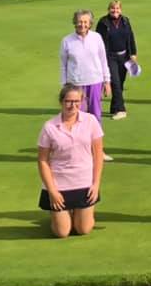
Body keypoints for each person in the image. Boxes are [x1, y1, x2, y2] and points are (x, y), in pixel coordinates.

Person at [37, 84, 104, 238]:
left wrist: (96, 184)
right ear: (61, 102)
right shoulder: (49, 127)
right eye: (68, 101)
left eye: (76, 101)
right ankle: (59, 214)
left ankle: (78, 213)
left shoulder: (90, 121)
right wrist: (52, 191)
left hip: (84, 182)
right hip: (59, 184)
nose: (72, 105)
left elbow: (98, 155)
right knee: (62, 232)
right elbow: (42, 160)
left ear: (81, 102)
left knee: (83, 229)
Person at [60, 9, 112, 160]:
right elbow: (63, 65)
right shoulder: (67, 41)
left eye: (85, 22)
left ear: (90, 24)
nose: (82, 24)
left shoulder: (97, 38)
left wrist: (107, 81)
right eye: (79, 22)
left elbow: (103, 60)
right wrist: (64, 85)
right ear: (74, 22)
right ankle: (78, 152)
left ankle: (98, 151)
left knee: (95, 117)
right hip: (75, 85)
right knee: (77, 118)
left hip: (95, 81)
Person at [95, 0, 138, 121]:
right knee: (115, 82)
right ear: (109, 9)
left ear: (121, 9)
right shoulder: (103, 22)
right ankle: (121, 109)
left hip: (124, 56)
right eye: (113, 8)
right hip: (110, 57)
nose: (115, 10)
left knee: (121, 82)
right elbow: (98, 41)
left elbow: (130, 37)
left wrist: (133, 53)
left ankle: (114, 107)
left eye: (117, 8)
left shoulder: (125, 21)